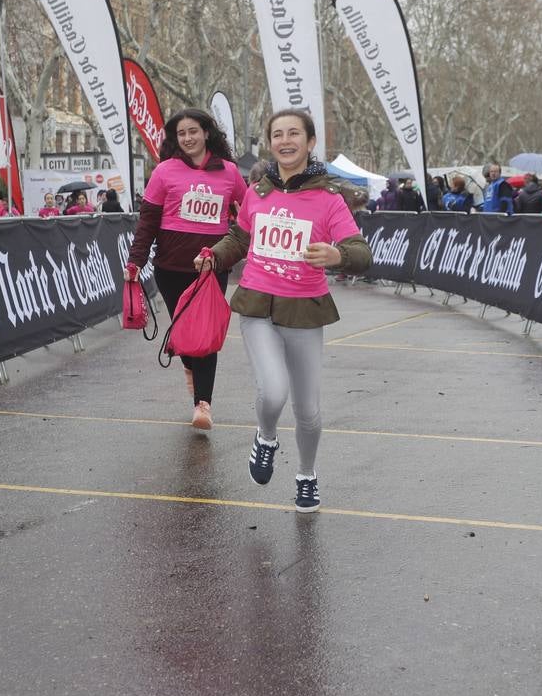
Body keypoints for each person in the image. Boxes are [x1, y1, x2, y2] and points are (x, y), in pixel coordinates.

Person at [196, 108, 372, 513]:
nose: (285, 140)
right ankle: (266, 437)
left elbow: (361, 253)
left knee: (307, 409)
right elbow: (240, 237)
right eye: (278, 134)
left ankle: (307, 477)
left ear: (310, 143)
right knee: (272, 390)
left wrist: (335, 254)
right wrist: (214, 256)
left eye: (295, 133)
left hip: (305, 311)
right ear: (270, 143)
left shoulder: (330, 199)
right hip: (257, 304)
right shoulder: (257, 192)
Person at [126, 108, 248, 429]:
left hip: (210, 267)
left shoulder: (230, 173)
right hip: (170, 268)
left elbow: (248, 213)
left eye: (193, 131)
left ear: (207, 133)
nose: (188, 138)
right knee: (185, 336)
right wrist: (135, 261)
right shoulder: (164, 172)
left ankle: (203, 405)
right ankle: (189, 367)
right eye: (181, 134)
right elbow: (147, 222)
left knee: (204, 335)